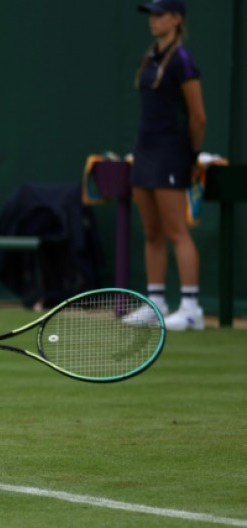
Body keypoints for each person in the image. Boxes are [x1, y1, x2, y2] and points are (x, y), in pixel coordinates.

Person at [123, 0, 207, 332]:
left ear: (176, 19)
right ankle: (155, 304)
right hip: (144, 152)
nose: (153, 21)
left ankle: (191, 308)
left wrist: (190, 154)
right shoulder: (151, 56)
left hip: (171, 153)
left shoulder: (182, 60)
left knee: (176, 230)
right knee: (152, 232)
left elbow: (198, 117)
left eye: (160, 14)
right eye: (152, 15)